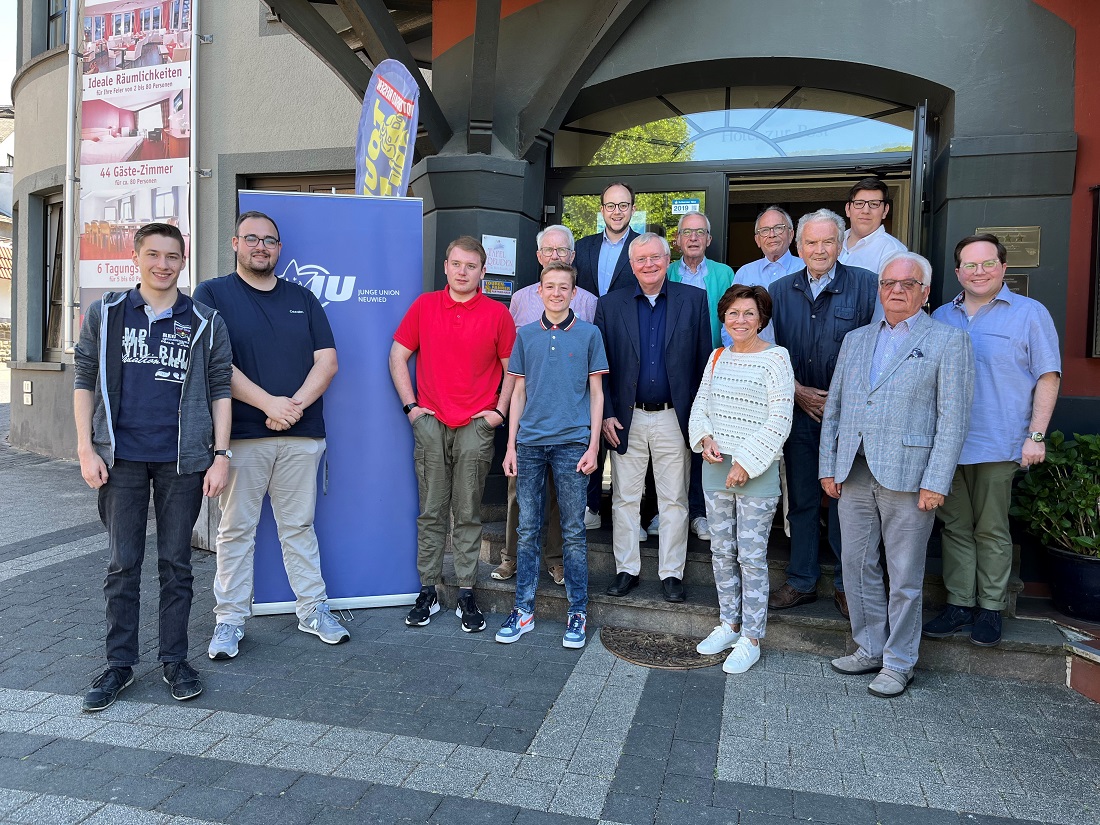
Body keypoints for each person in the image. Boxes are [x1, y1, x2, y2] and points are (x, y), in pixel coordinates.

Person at [74, 222, 233, 710]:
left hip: (183, 461)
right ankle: (119, 665)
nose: (162, 264)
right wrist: (85, 447)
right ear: (136, 257)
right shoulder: (107, 314)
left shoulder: (205, 321)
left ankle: (174, 660)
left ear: (183, 262)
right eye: (154, 254)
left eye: (172, 256)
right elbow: (83, 377)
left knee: (176, 564)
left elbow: (221, 388)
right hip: (119, 458)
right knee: (123, 563)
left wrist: (221, 455)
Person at [195, 211, 348, 661]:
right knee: (235, 530)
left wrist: (293, 407)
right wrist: (269, 404)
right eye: (252, 239)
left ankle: (312, 609)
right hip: (240, 437)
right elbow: (213, 361)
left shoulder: (303, 298)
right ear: (235, 243)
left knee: (298, 527)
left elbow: (328, 362)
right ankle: (229, 621)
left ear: (280, 248)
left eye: (270, 241)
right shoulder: (213, 294)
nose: (261, 247)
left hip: (301, 437)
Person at [820, 252, 973, 698]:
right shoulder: (856, 339)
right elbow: (836, 409)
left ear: (925, 293)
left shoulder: (948, 341)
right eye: (889, 283)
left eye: (908, 284)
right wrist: (829, 465)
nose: (897, 291)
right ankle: (868, 646)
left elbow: (953, 419)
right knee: (855, 564)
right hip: (854, 470)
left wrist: (936, 481)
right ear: (879, 289)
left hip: (910, 475)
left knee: (904, 572)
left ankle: (899, 661)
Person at [923, 234, 1061, 647]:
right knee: (955, 528)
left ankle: (991, 608)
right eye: (970, 265)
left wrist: (1036, 435)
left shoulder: (1029, 314)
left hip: (1000, 442)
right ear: (958, 271)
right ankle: (960, 604)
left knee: (992, 530)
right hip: (947, 445)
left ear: (1003, 267)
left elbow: (1048, 376)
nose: (978, 272)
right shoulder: (942, 317)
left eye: (987, 264)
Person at [390, 236, 516, 632]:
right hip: (431, 423)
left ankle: (465, 590)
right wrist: (412, 408)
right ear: (446, 266)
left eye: (471, 266)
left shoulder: (498, 314)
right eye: (456, 264)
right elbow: (397, 355)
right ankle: (427, 589)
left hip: (476, 426)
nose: (463, 272)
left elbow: (513, 369)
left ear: (482, 271)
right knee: (431, 513)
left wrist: (497, 412)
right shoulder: (425, 306)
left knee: (467, 512)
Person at [766, 209, 879, 619]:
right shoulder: (779, 290)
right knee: (802, 499)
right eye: (810, 243)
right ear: (799, 247)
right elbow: (766, 354)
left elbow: (882, 352)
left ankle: (850, 586)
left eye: (827, 241)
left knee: (849, 503)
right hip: (799, 413)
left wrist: (844, 399)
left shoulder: (868, 287)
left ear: (841, 244)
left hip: (851, 418)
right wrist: (796, 391)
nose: (818, 249)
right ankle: (801, 580)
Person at [594, 232, 712, 602]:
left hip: (673, 417)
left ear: (667, 259)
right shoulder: (610, 305)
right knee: (624, 499)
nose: (649, 265)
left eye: (655, 258)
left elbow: (703, 364)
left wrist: (698, 418)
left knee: (674, 500)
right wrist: (607, 415)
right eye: (641, 259)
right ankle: (626, 569)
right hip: (626, 419)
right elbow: (602, 366)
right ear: (631, 265)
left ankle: (671, 573)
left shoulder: (693, 301)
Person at [497, 261, 608, 649]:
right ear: (539, 291)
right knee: (528, 529)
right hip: (529, 445)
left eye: (564, 287)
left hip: (572, 443)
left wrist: (594, 446)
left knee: (574, 533)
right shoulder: (525, 335)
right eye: (550, 286)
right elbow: (518, 393)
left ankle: (577, 610)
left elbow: (597, 394)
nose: (557, 293)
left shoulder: (590, 334)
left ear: (573, 293)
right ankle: (523, 609)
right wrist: (511, 445)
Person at [688, 285, 794, 674]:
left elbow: (780, 417)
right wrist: (704, 437)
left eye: (748, 313)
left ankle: (751, 637)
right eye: (733, 314)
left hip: (757, 470)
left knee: (751, 557)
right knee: (721, 552)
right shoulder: (717, 357)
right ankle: (729, 624)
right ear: (724, 318)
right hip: (715, 465)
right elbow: (701, 404)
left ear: (761, 317)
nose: (740, 321)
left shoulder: (775, 358)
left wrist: (746, 462)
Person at [493, 225, 598, 584]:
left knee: (560, 498)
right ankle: (511, 557)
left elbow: (590, 363)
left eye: (562, 250)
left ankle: (555, 558)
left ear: (572, 256)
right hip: (530, 420)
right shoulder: (521, 299)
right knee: (518, 494)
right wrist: (505, 411)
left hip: (568, 420)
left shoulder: (588, 302)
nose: (555, 256)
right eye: (549, 251)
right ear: (539, 258)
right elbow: (513, 364)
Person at [667, 210, 737, 541]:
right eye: (687, 232)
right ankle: (663, 510)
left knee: (704, 440)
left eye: (700, 232)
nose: (693, 238)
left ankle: (698, 512)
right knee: (669, 441)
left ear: (709, 239)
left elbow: (730, 321)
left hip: (712, 370)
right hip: (671, 372)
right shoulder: (664, 272)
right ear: (677, 240)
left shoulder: (725, 273)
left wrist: (724, 364)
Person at [574, 182, 641, 298]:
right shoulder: (581, 247)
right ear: (602, 210)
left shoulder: (644, 248)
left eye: (623, 205)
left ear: (633, 209)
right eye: (610, 206)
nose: (617, 212)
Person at [837, 177, 907, 274]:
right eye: (859, 203)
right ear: (848, 209)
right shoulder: (832, 241)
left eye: (874, 204)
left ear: (885, 211)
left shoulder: (894, 252)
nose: (865, 211)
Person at [735, 206, 801, 290]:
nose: (772, 235)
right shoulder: (744, 273)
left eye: (778, 228)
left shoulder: (807, 269)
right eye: (765, 230)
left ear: (791, 235)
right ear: (757, 240)